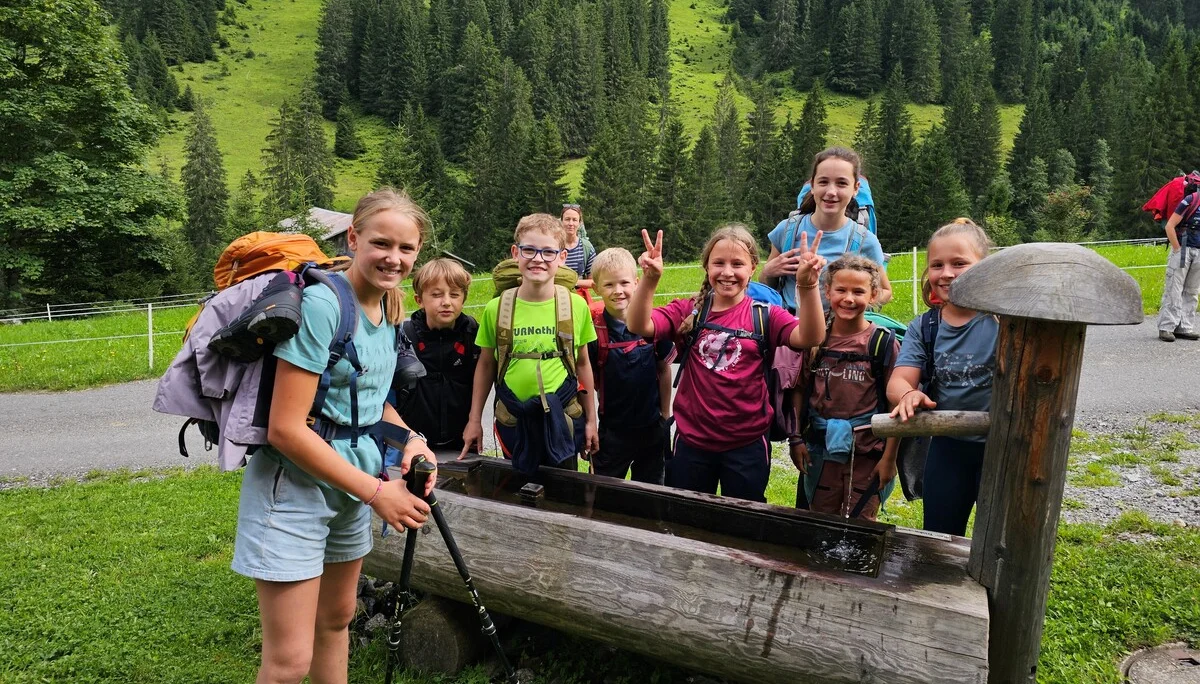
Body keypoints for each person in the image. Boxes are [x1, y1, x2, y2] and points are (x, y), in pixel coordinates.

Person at [231, 188, 437, 684]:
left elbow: (368, 399)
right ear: (354, 237)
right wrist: (375, 492)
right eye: (381, 243)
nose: (394, 258)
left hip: (352, 489)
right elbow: (285, 427)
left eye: (406, 249)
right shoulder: (324, 305)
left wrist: (411, 439)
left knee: (337, 621)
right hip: (294, 493)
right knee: (288, 663)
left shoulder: (389, 309)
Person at [627, 225, 826, 502]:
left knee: (741, 526)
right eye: (718, 263)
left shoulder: (765, 315)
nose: (727, 272)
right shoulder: (689, 311)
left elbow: (811, 336)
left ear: (753, 267)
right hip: (692, 445)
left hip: (747, 447)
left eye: (737, 264)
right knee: (688, 522)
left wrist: (808, 285)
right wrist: (649, 280)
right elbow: (638, 324)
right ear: (706, 266)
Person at [460, 213, 600, 472]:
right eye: (529, 250)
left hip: (563, 421)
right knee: (514, 491)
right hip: (513, 421)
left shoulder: (575, 306)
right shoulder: (496, 309)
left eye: (548, 252)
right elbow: (486, 365)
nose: (538, 259)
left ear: (562, 257)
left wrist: (591, 421)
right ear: (515, 253)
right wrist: (474, 420)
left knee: (564, 495)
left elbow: (583, 364)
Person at [886, 218, 998, 536]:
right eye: (937, 264)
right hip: (949, 448)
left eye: (959, 263)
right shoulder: (925, 327)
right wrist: (908, 395)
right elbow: (898, 381)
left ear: (983, 266)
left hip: (1003, 449)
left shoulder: (1005, 319)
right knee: (940, 537)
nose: (946, 273)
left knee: (1000, 541)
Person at [792, 255, 899, 521]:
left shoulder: (881, 343)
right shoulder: (816, 338)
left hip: (868, 454)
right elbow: (799, 390)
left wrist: (889, 458)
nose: (848, 298)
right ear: (827, 291)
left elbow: (897, 405)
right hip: (821, 450)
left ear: (874, 295)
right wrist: (795, 438)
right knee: (821, 520)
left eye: (858, 291)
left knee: (862, 523)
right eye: (841, 290)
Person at [761, 147, 892, 312]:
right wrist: (768, 272)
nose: (831, 192)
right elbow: (767, 287)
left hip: (839, 331)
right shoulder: (786, 230)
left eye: (841, 183)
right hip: (789, 329)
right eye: (823, 182)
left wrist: (856, 300)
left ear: (856, 188)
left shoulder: (865, 241)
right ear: (813, 186)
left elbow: (885, 291)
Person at [586, 247, 675, 484]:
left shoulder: (654, 326)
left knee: (652, 491)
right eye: (609, 285)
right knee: (605, 492)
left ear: (636, 283)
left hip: (652, 428)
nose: (618, 291)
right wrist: (590, 424)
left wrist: (665, 416)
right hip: (612, 432)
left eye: (624, 283)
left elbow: (664, 368)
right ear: (596, 289)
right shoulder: (593, 332)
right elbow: (587, 377)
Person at [394, 258, 481, 453]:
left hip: (463, 442)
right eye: (436, 295)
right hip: (413, 443)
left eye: (455, 294)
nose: (446, 302)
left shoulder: (473, 334)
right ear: (419, 300)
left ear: (464, 299)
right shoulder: (404, 335)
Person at [1155, 193, 1200, 342]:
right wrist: (1177, 249)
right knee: (1174, 289)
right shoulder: (1191, 200)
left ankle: (1185, 327)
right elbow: (1170, 226)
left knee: (1192, 291)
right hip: (1183, 250)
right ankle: (1166, 327)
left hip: (1198, 253)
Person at [561, 203, 596, 293]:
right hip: (555, 295)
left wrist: (572, 282)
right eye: (567, 219)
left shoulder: (587, 248)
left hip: (579, 296)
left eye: (574, 220)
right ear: (561, 221)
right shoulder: (553, 246)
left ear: (579, 223)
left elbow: (593, 281)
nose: (571, 223)